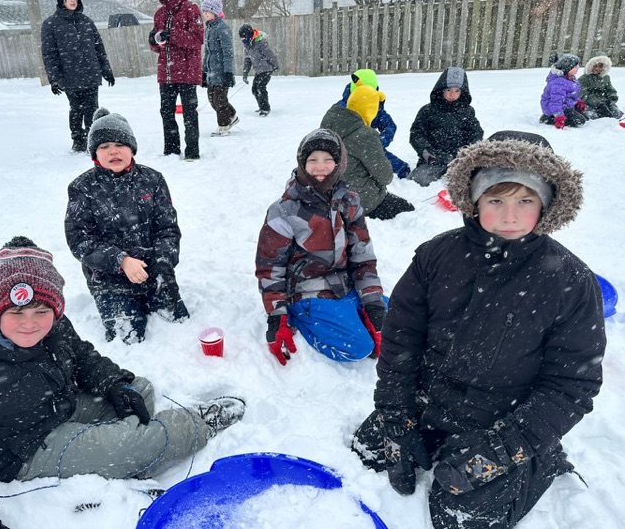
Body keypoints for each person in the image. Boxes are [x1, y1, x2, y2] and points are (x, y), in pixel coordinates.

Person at [352, 131, 605, 528]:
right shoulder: (436, 256)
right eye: (496, 200)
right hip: (429, 397)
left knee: (458, 516)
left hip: (503, 418)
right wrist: (395, 414)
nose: (510, 216)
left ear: (548, 204)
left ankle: (543, 460)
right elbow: (402, 341)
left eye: (526, 201)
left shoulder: (569, 280)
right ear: (474, 200)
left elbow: (571, 385)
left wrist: (504, 449)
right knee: (366, 454)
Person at [0, 236, 246, 529]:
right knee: (131, 445)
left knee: (139, 390)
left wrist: (114, 384)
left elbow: (80, 355)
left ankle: (120, 455)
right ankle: (193, 425)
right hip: (22, 449)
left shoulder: (53, 325)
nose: (30, 325)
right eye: (16, 314)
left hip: (56, 405)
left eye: (41, 312)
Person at [255, 128, 387, 365]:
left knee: (400, 321)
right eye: (312, 160)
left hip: (345, 285)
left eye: (328, 160)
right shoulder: (284, 210)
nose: (320, 167)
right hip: (307, 292)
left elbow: (363, 257)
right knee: (359, 348)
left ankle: (352, 312)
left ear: (339, 164)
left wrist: (373, 305)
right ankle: (303, 319)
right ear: (302, 163)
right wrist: (278, 317)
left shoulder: (349, 201)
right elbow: (269, 268)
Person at [65, 108, 189, 343]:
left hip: (153, 270)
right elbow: (79, 240)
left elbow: (168, 229)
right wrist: (120, 261)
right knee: (128, 340)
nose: (113, 151)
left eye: (120, 144)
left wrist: (161, 263)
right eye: (104, 146)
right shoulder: (82, 188)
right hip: (107, 277)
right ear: (94, 154)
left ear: (131, 148)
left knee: (178, 327)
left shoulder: (153, 180)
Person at [321, 85, 415, 220]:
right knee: (408, 209)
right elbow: (385, 176)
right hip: (358, 199)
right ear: (370, 110)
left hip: (330, 194)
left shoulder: (330, 121)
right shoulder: (365, 135)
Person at [41, 0, 115, 153]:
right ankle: (78, 140)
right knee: (76, 109)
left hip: (90, 73)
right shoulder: (51, 24)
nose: (72, 0)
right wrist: (54, 79)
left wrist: (106, 70)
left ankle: (92, 140)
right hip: (69, 76)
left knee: (92, 109)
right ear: (61, 0)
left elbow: (99, 48)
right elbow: (49, 54)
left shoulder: (86, 21)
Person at [148, 0, 204, 160]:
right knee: (166, 112)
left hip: (187, 72)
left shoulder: (191, 9)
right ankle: (171, 150)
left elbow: (197, 40)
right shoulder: (159, 14)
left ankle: (192, 151)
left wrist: (172, 35)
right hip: (166, 72)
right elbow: (157, 47)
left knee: (189, 113)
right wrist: (154, 40)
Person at [408, 67, 483, 186]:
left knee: (478, 181)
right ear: (441, 90)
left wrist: (467, 152)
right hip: (435, 159)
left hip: (460, 158)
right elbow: (417, 134)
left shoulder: (467, 111)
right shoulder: (428, 110)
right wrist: (426, 151)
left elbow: (476, 133)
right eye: (448, 90)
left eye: (457, 90)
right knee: (417, 180)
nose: (452, 94)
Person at [337, 69, 411, 178]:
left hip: (369, 147)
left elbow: (389, 125)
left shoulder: (374, 105)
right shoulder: (341, 108)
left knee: (399, 168)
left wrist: (380, 141)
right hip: (347, 151)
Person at [201, 0, 239, 137]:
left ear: (215, 12)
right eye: (204, 10)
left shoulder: (223, 29)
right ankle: (232, 115)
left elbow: (228, 53)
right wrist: (204, 73)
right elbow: (207, 53)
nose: (205, 13)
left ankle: (224, 127)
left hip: (221, 73)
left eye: (208, 11)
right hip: (211, 74)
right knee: (212, 100)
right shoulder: (209, 28)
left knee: (220, 101)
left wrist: (228, 72)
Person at [239, 23, 279, 116]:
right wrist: (245, 73)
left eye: (243, 37)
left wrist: (275, 65)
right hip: (259, 70)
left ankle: (265, 108)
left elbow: (270, 55)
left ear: (248, 35)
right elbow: (247, 60)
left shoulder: (260, 43)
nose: (242, 40)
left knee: (260, 87)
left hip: (266, 69)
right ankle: (261, 106)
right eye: (241, 38)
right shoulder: (248, 46)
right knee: (254, 89)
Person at [539, 53, 587, 129]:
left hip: (565, 106)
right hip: (555, 108)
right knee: (580, 121)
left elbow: (571, 95)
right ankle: (549, 118)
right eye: (575, 66)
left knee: (586, 116)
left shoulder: (571, 79)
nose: (578, 68)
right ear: (567, 68)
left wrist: (577, 102)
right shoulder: (559, 83)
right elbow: (555, 102)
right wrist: (559, 117)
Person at [579, 54, 623, 119]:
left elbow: (610, 89)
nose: (597, 68)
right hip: (590, 103)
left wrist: (612, 96)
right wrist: (598, 104)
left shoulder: (606, 78)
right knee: (594, 116)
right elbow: (584, 94)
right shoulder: (584, 79)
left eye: (600, 66)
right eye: (595, 66)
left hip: (605, 101)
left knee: (616, 113)